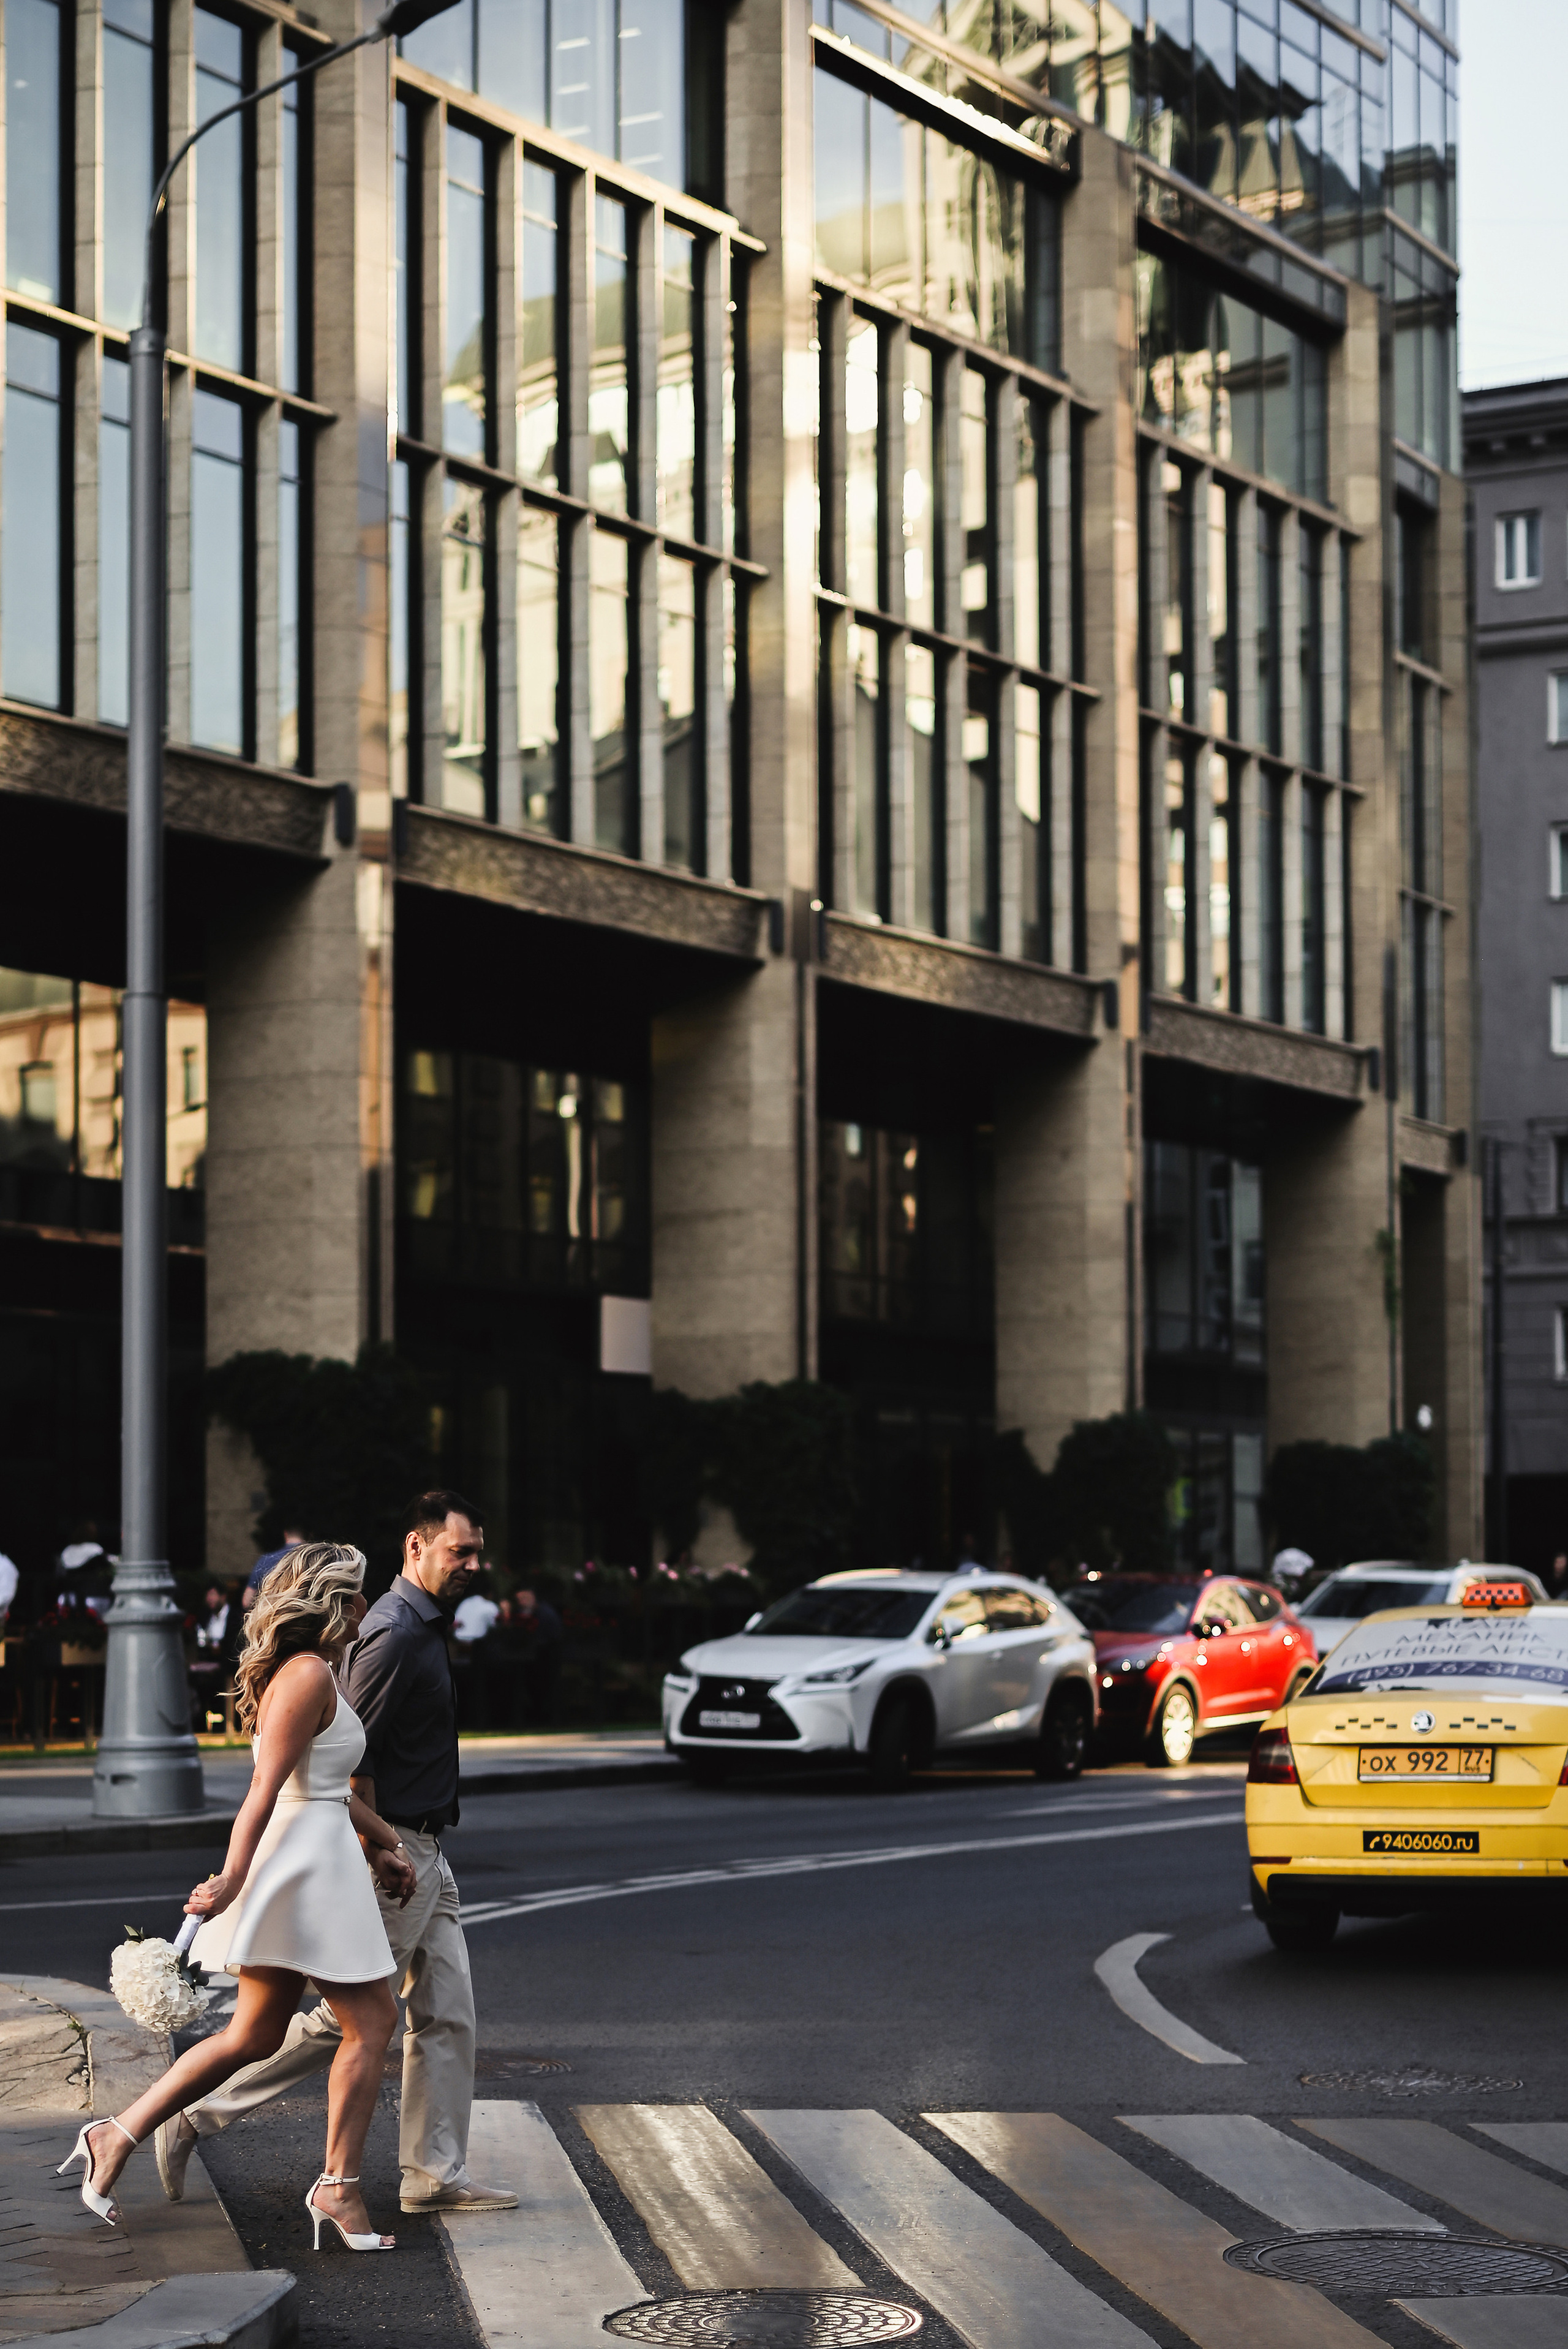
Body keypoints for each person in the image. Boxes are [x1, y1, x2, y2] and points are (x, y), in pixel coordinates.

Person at [160, 1491, 518, 2219]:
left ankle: (432, 2171)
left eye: (477, 1550)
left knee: (448, 2011)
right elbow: (343, 1754)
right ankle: (195, 2111)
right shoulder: (388, 1632)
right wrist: (376, 1845)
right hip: (397, 1844)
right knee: (355, 2015)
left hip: (423, 1844)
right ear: (415, 1547)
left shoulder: (419, 1625)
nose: (474, 1564)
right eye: (461, 1551)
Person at [59, 1544, 415, 2250]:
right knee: (372, 2020)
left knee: (252, 2035)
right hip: (301, 1873)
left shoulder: (317, 1671)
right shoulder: (309, 1671)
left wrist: (382, 1840)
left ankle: (115, 2133)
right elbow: (265, 1791)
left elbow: (322, 1788)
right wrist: (231, 1878)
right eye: (359, 1595)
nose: (367, 1609)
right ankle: (338, 2187)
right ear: (334, 1601)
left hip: (317, 1860)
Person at [244, 1527, 307, 1615]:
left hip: (273, 1620)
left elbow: (247, 1601)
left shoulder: (267, 1560)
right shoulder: (316, 1560)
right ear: (309, 1535)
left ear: (285, 1534)